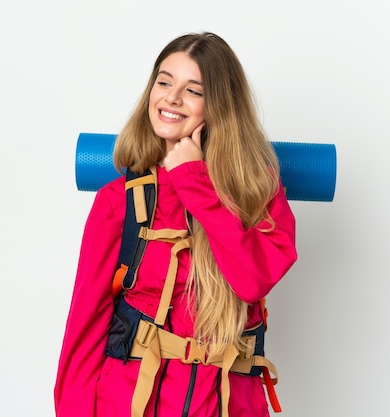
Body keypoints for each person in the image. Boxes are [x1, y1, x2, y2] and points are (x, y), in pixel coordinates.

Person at [54, 31, 297, 417]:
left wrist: (193, 180)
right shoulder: (120, 201)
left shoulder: (259, 192)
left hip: (229, 405)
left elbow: (253, 279)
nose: (171, 97)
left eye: (193, 90)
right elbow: (83, 333)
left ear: (219, 106)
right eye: (164, 82)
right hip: (131, 404)